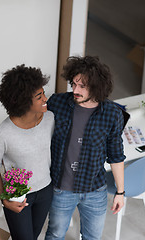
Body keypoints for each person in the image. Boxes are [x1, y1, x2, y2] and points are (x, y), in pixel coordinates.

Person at [45, 56, 125, 240]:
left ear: (97, 86)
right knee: (55, 234)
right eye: (73, 84)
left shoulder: (112, 114)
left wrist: (120, 192)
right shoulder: (57, 103)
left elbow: (116, 155)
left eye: (82, 86)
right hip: (60, 189)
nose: (75, 90)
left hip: (95, 191)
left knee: (92, 237)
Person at [0, 64, 54, 240]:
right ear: (23, 101)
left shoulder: (50, 119)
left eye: (43, 93)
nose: (45, 98)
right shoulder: (2, 133)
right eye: (39, 96)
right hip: (18, 195)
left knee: (32, 236)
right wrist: (4, 200)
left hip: (46, 190)